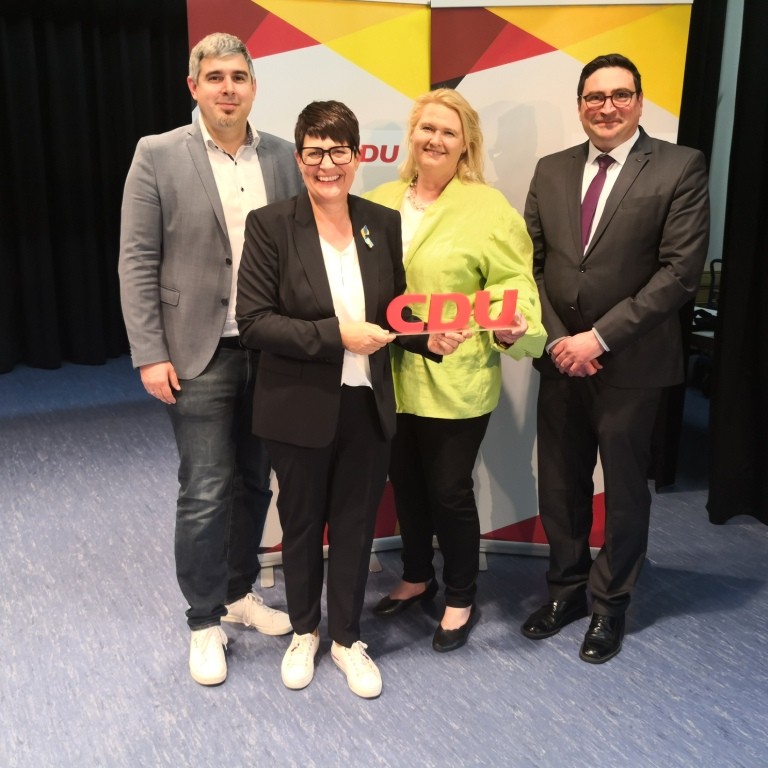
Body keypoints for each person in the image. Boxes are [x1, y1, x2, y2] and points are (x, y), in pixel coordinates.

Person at [236, 100, 466, 698]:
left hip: (367, 404)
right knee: (302, 524)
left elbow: (395, 313)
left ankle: (345, 638)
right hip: (296, 407)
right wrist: (337, 335)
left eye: (338, 151)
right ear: (299, 158)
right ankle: (304, 631)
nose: (327, 164)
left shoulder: (379, 223)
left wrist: (428, 339)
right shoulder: (270, 225)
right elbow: (255, 322)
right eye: (314, 152)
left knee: (356, 527)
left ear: (358, 157)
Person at [118, 32, 303, 686]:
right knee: (205, 489)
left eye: (239, 77)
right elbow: (137, 259)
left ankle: (237, 593)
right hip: (196, 351)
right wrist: (149, 352)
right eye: (216, 77)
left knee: (255, 482)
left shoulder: (280, 155)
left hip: (269, 349)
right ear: (194, 86)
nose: (228, 88)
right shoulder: (157, 153)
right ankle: (203, 621)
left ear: (254, 87)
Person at [521, 53, 709, 663]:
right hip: (560, 361)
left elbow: (679, 273)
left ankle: (609, 605)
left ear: (639, 101)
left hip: (632, 362)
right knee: (561, 484)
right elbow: (532, 264)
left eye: (620, 95)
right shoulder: (551, 169)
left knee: (624, 491)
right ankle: (566, 590)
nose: (607, 107)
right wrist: (559, 340)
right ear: (580, 105)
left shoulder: (680, 166)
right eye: (594, 97)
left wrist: (597, 339)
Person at [366, 88, 546, 652]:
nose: (436, 140)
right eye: (427, 128)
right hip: (390, 373)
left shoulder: (488, 207)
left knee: (448, 491)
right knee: (406, 484)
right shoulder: (378, 199)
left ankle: (461, 594)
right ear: (412, 135)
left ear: (466, 144)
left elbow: (514, 282)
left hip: (457, 377)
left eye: (449, 132)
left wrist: (516, 325)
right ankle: (418, 576)